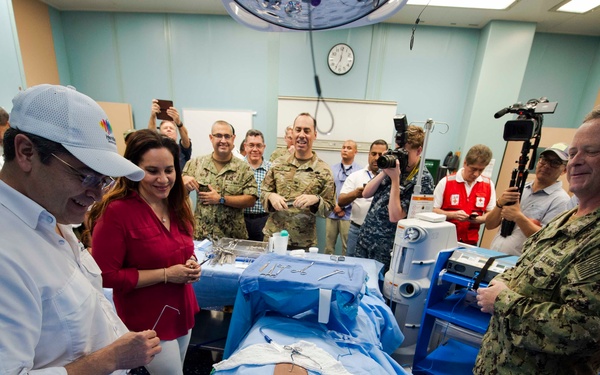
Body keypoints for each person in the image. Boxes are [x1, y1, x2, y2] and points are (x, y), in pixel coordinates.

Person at [0, 84, 160, 374]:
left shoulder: (52, 214)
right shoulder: (7, 252)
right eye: (86, 176)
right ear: (25, 152)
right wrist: (111, 358)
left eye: (104, 180)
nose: (98, 195)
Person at [474, 108, 600, 375]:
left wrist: (503, 301)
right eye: (574, 152)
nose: (577, 161)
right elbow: (530, 264)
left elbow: (583, 330)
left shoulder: (589, 232)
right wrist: (504, 280)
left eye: (590, 151)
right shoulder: (567, 218)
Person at [88, 129, 200, 375]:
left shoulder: (176, 203)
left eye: (169, 170)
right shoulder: (117, 212)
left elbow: (181, 248)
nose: (163, 179)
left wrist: (192, 263)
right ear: (134, 170)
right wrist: (167, 274)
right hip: (149, 318)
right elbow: (106, 274)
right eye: (152, 171)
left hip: (182, 308)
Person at [354, 126, 434, 271]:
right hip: (366, 240)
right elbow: (366, 193)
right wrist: (384, 172)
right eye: (398, 151)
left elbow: (395, 216)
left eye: (405, 153)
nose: (400, 157)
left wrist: (395, 180)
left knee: (378, 288)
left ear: (419, 151)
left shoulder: (423, 180)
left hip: (387, 248)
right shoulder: (392, 165)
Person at [261, 113, 335, 249]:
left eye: (307, 131)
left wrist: (316, 200)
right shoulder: (277, 164)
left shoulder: (324, 170)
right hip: (273, 239)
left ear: (315, 135)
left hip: (303, 244)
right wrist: (271, 196)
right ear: (293, 133)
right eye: (298, 130)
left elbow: (329, 209)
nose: (302, 135)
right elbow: (264, 192)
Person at [486, 142, 570, 256]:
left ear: (564, 170)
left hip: (519, 267)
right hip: (493, 255)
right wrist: (500, 204)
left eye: (555, 163)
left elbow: (546, 240)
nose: (546, 165)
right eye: (544, 159)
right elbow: (490, 225)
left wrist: (518, 217)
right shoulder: (520, 189)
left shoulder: (561, 200)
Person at [182, 120, 257, 240]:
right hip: (203, 238)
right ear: (211, 138)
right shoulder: (195, 164)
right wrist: (183, 183)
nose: (223, 140)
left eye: (227, 136)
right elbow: (180, 196)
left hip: (233, 239)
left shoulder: (244, 168)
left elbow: (251, 200)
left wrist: (221, 199)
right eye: (218, 136)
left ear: (233, 139)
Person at [433, 144, 496, 245]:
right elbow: (432, 210)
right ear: (465, 163)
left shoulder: (488, 185)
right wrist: (452, 215)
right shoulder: (446, 182)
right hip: (444, 240)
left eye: (480, 170)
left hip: (470, 242)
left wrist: (480, 219)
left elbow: (491, 213)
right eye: (473, 169)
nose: (476, 174)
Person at [338, 139, 388, 257]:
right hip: (357, 230)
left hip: (381, 234)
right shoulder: (356, 176)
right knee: (351, 261)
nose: (376, 158)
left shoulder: (392, 178)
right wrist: (356, 193)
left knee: (378, 265)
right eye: (373, 154)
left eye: (381, 155)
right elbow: (341, 201)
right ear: (368, 154)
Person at [325, 140, 361, 255]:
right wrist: (336, 206)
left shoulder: (359, 172)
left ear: (355, 152)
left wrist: (343, 207)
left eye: (349, 148)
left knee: (347, 248)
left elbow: (359, 193)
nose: (345, 150)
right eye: (343, 147)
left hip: (349, 215)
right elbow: (328, 190)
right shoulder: (332, 169)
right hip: (332, 213)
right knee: (328, 247)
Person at [242, 129, 272, 241]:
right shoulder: (236, 167)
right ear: (245, 146)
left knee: (263, 254)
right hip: (241, 220)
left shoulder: (272, 169)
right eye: (251, 145)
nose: (255, 149)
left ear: (264, 147)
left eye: (259, 145)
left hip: (264, 220)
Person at [148, 99, 192, 171]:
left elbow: (186, 140)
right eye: (165, 128)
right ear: (160, 133)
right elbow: (151, 135)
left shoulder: (182, 150)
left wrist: (178, 122)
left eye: (171, 128)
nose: (168, 129)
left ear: (176, 134)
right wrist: (153, 116)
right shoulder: (157, 148)